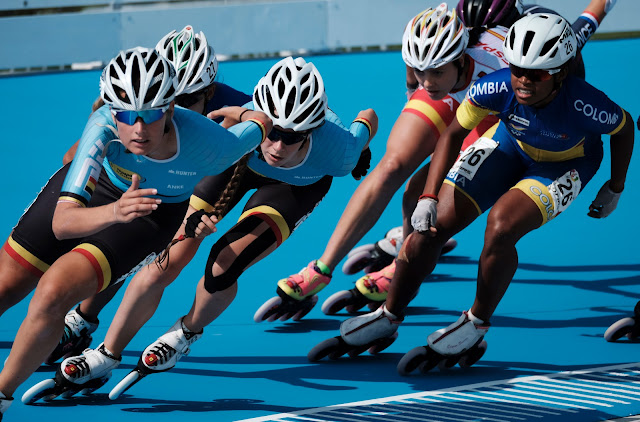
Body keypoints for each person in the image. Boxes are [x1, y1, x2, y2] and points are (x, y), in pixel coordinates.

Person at [25, 56, 377, 401]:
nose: (278, 147)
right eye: (273, 132)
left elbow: (369, 117)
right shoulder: (234, 128)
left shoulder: (340, 151)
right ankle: (107, 353)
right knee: (167, 255)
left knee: (225, 262)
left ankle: (186, 331)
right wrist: (189, 220)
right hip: (237, 162)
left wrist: (364, 146)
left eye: (293, 137)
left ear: (313, 131)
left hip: (296, 187)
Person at [309, 13, 634, 374]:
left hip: (565, 164)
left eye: (537, 74)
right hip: (509, 145)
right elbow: (450, 135)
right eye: (517, 70)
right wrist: (429, 197)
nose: (524, 81)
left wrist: (614, 186)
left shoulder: (585, 103)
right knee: (427, 229)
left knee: (501, 227)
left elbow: (624, 128)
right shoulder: (494, 87)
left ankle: (476, 322)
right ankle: (388, 315)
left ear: (559, 74)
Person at [0, 46, 271, 417]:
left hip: (150, 213)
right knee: (5, 287)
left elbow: (261, 124)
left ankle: (1, 395)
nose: (139, 129)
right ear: (113, 111)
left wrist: (238, 112)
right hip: (104, 194)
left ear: (170, 109)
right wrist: (113, 209)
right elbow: (63, 224)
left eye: (151, 115)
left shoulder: (212, 144)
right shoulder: (102, 127)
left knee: (52, 293)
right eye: (127, 115)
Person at [46, 25, 255, 365]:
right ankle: (83, 319)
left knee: (166, 261)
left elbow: (286, 127)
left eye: (188, 100)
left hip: (208, 171)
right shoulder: (141, 110)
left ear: (211, 92)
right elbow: (71, 159)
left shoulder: (237, 105)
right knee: (123, 242)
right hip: (159, 165)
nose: (178, 109)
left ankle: (115, 349)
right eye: (170, 100)